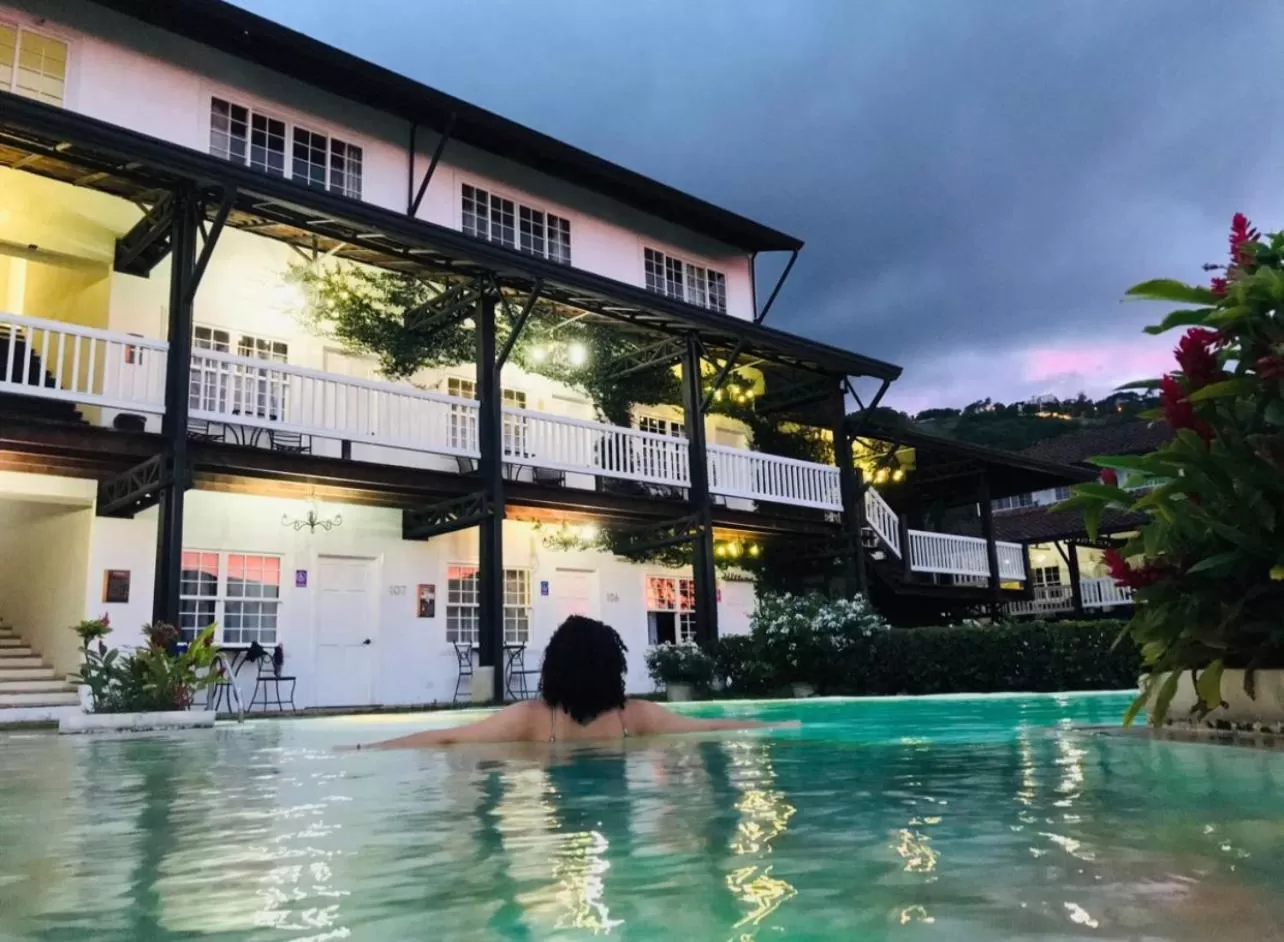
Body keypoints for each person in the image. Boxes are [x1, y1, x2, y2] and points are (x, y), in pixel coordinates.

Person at [355, 616, 782, 749]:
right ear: (612, 666)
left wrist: (366, 747)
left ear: (554, 667)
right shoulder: (636, 716)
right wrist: (778, 725)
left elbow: (448, 739)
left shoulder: (532, 719)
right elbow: (710, 727)